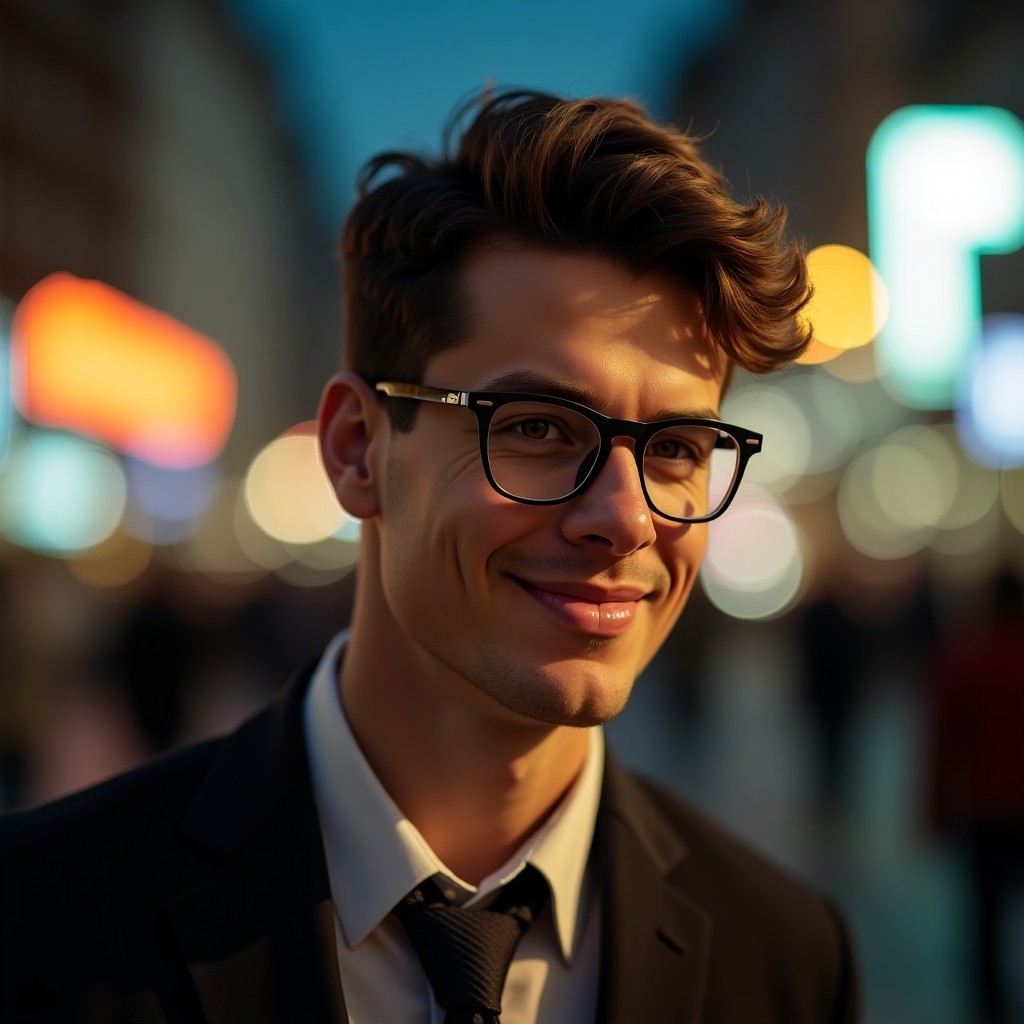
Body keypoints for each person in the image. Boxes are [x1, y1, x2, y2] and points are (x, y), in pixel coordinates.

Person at [0, 89, 859, 1023]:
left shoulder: (787, 960)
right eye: (537, 427)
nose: (625, 517)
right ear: (356, 451)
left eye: (679, 449)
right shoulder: (37, 922)